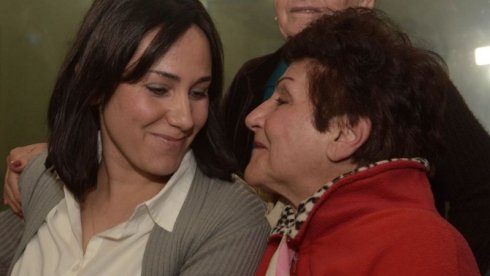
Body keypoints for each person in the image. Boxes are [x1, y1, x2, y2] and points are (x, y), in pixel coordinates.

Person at [0, 0, 270, 275]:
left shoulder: (230, 220)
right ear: (94, 85)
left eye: (198, 93)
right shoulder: (42, 179)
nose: (185, 118)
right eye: (158, 89)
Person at [221, 0, 490, 272]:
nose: (253, 119)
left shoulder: (409, 85)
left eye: (284, 100)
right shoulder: (251, 78)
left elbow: (480, 189)